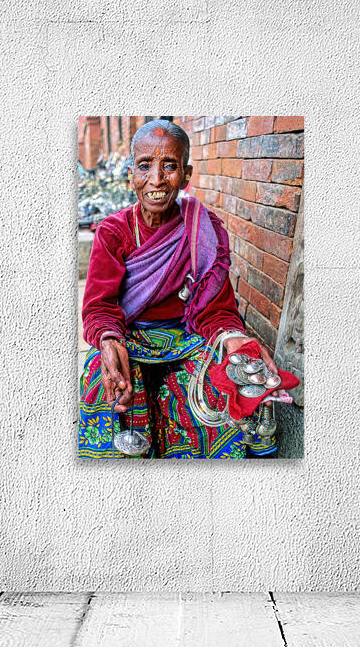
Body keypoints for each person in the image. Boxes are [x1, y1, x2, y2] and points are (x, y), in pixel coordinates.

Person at [78, 119, 291, 458]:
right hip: (129, 335)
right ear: (131, 173)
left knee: (229, 378)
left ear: (186, 174)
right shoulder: (112, 231)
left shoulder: (203, 229)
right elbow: (99, 306)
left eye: (170, 166)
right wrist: (107, 339)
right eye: (145, 166)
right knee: (98, 377)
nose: (157, 180)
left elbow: (216, 308)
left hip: (187, 336)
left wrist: (232, 336)